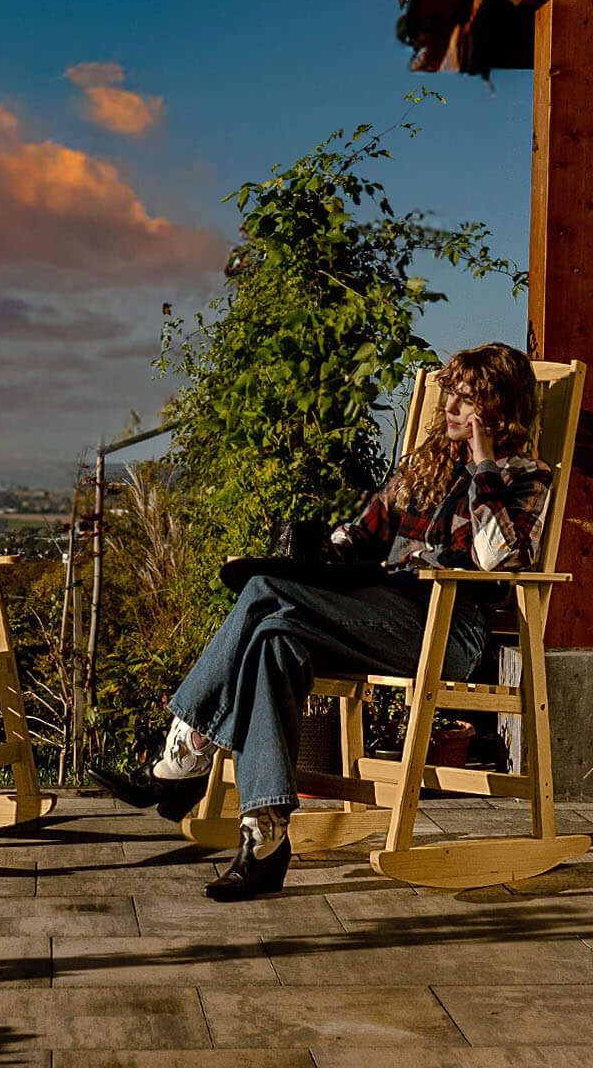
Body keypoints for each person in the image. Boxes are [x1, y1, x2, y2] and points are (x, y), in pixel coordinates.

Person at [91, 341, 553, 901]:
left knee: (262, 597)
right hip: (376, 613)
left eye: (468, 398)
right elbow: (361, 533)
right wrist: (306, 561)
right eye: (451, 393)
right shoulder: (424, 467)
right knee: (271, 639)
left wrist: (482, 466)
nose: (452, 407)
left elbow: (498, 559)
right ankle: (263, 841)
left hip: (448, 629)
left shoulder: (526, 478)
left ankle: (180, 757)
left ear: (499, 408)